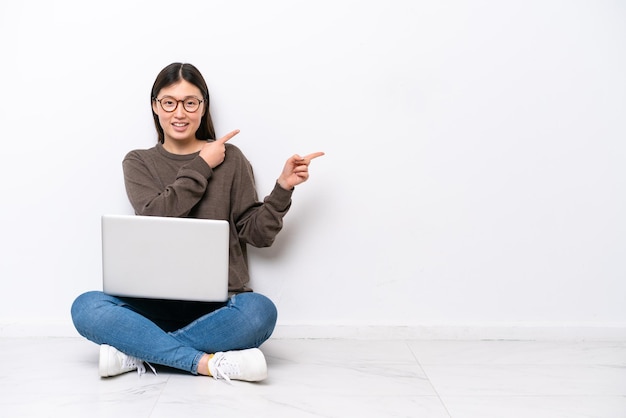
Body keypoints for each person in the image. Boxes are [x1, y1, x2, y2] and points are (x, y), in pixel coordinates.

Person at [71, 62, 324, 382]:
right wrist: (202, 164)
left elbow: (258, 235)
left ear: (203, 107)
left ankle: (137, 351)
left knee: (260, 312)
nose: (180, 113)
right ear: (155, 106)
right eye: (169, 102)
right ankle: (207, 363)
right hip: (151, 305)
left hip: (219, 306)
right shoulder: (139, 161)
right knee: (86, 307)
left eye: (190, 103)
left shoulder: (231, 158)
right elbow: (155, 216)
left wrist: (283, 189)